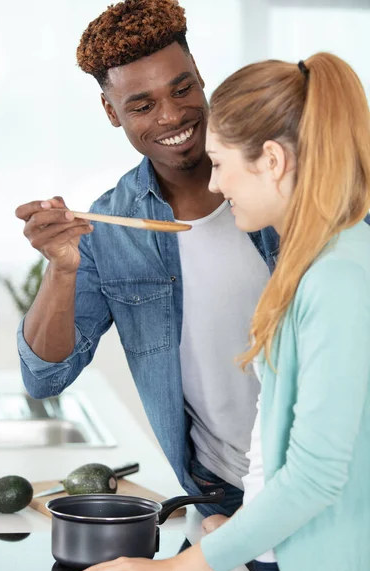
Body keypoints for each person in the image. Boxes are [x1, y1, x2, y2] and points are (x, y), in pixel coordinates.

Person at [58, 52, 370, 571]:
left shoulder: (337, 277)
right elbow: (285, 448)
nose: (218, 187)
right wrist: (243, 535)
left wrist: (173, 569)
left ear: (271, 160)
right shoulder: (318, 264)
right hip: (287, 552)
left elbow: (317, 475)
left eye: (221, 162)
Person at [15, 0, 277, 517]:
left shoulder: (285, 178)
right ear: (112, 113)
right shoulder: (108, 230)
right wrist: (63, 269)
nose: (172, 116)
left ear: (201, 77)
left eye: (182, 89)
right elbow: (44, 379)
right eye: (142, 105)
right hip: (224, 494)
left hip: (330, 474)